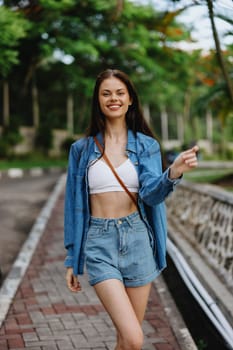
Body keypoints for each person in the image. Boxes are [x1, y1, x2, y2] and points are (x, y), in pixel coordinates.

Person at [64, 69, 199, 350]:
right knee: (135, 337)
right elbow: (72, 206)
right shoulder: (81, 150)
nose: (113, 98)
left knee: (128, 342)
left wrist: (172, 173)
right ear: (98, 100)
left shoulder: (147, 145)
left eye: (119, 93)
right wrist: (70, 257)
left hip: (137, 239)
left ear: (130, 100)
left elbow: (151, 194)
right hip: (99, 242)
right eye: (106, 93)